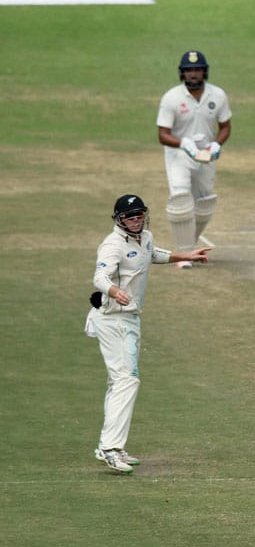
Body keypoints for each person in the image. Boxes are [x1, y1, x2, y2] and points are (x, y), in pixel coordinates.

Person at [86, 194, 210, 473]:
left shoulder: (147, 236)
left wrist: (185, 255)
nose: (136, 220)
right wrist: (115, 291)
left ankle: (111, 445)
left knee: (117, 382)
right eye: (131, 216)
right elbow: (100, 277)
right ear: (119, 220)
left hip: (130, 319)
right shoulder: (112, 245)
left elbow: (153, 254)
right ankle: (109, 448)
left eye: (140, 215)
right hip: (112, 319)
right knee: (127, 380)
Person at [157, 50, 232, 269]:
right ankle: (183, 255)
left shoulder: (218, 95)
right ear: (182, 74)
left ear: (204, 71)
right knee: (180, 199)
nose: (193, 74)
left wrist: (217, 143)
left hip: (206, 156)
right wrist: (183, 143)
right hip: (178, 155)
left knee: (205, 202)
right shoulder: (171, 97)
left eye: (197, 70)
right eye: (189, 71)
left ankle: (189, 246)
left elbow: (225, 127)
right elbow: (162, 134)